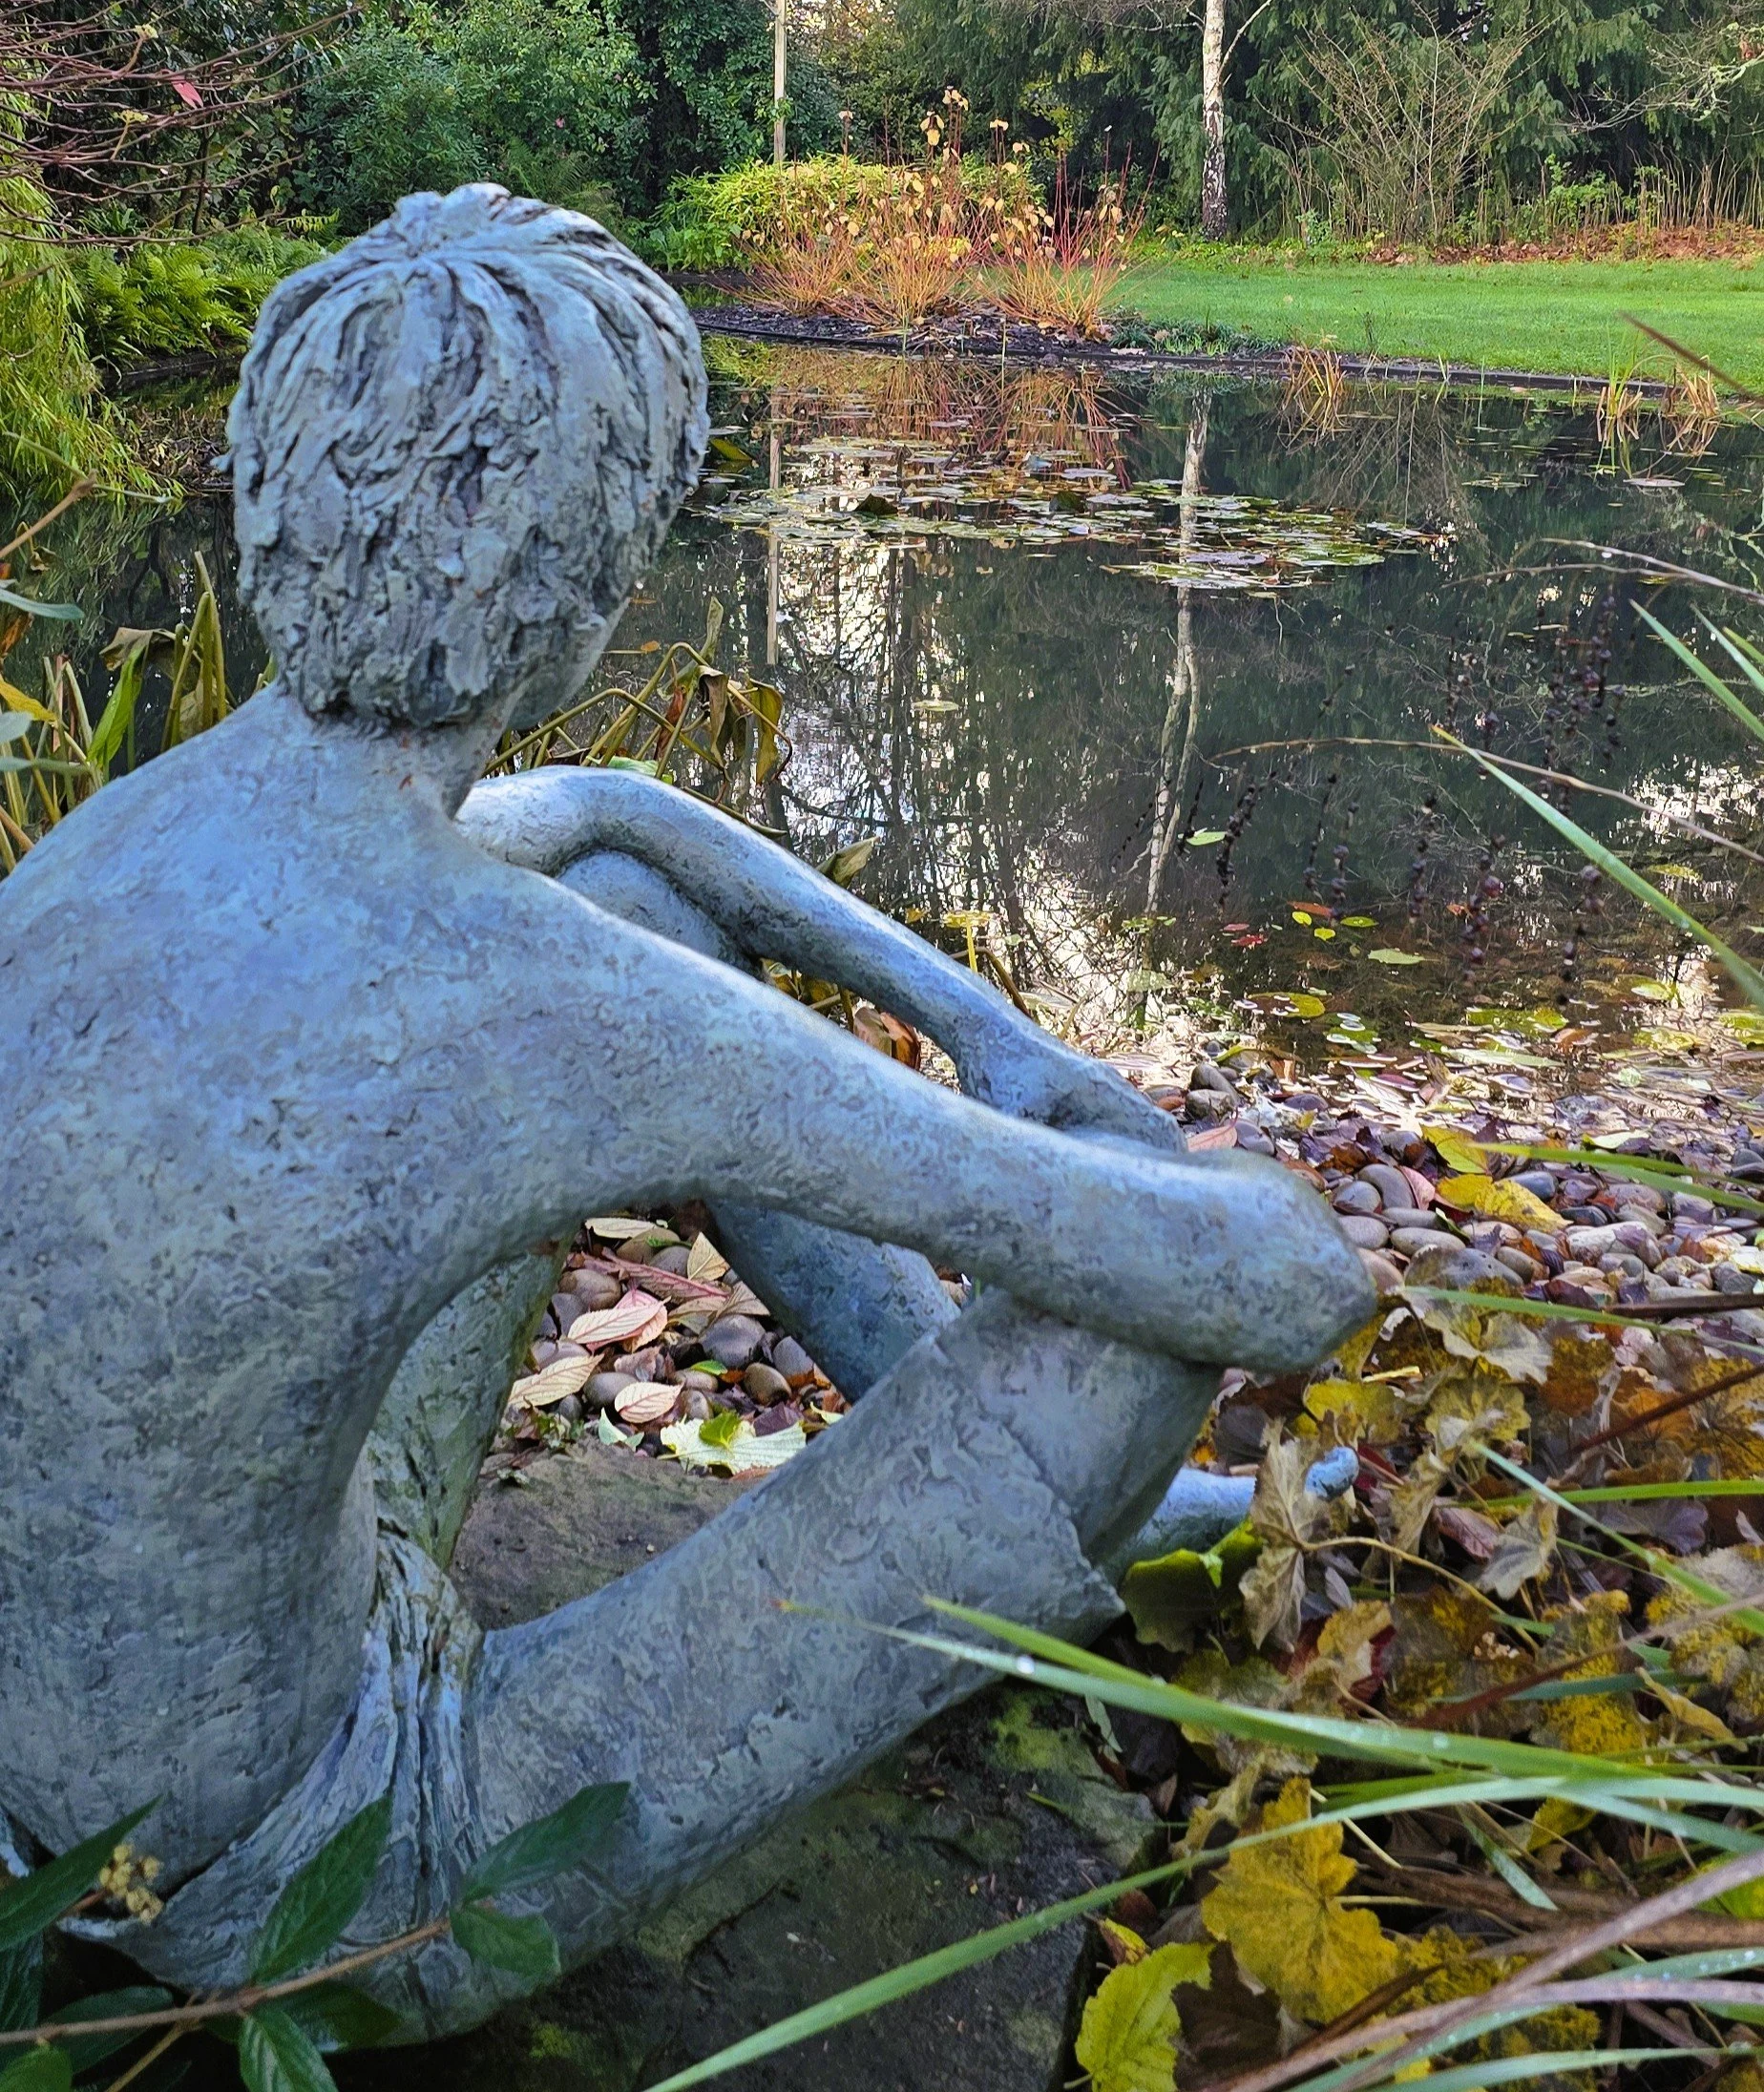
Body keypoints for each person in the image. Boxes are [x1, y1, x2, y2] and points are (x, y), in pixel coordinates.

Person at [0, 185, 1369, 2033]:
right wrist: (1114, 1148)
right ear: (585, 579)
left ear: (271, 489)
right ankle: (1092, 1515)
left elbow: (606, 810)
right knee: (1117, 1335)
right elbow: (1284, 1285)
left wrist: (983, 1028)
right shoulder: (545, 1005)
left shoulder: (131, 836)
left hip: (69, 1771)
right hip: (319, 1873)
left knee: (628, 887)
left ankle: (1052, 1478)